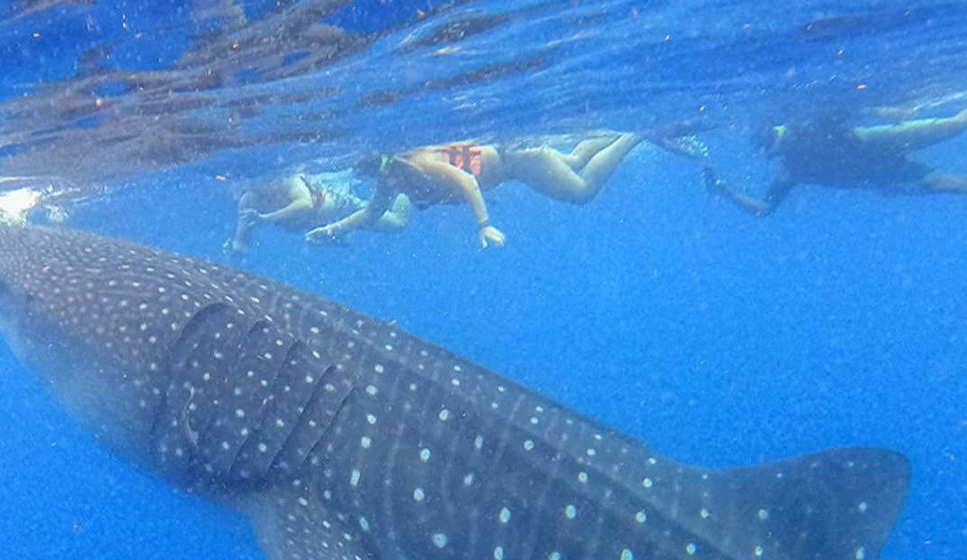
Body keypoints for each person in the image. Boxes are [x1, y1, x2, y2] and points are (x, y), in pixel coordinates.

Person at [306, 134, 644, 247]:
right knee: (570, 159)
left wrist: (484, 224)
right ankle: (615, 133)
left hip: (519, 160)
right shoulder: (392, 178)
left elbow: (465, 181)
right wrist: (334, 228)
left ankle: (640, 133)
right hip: (518, 162)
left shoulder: (421, 161)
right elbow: (371, 213)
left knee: (582, 191)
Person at [704, 108, 967, 216]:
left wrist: (886, 111)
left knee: (955, 128)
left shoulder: (794, 157)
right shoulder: (791, 168)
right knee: (949, 181)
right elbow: (763, 208)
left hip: (878, 153)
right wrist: (723, 189)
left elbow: (763, 208)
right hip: (881, 166)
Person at [227, 172, 413, 252]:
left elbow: (305, 204)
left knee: (398, 223)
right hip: (318, 223)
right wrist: (234, 251)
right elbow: (241, 243)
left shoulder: (288, 180)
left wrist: (266, 218)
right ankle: (341, 237)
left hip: (342, 207)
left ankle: (405, 185)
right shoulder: (247, 200)